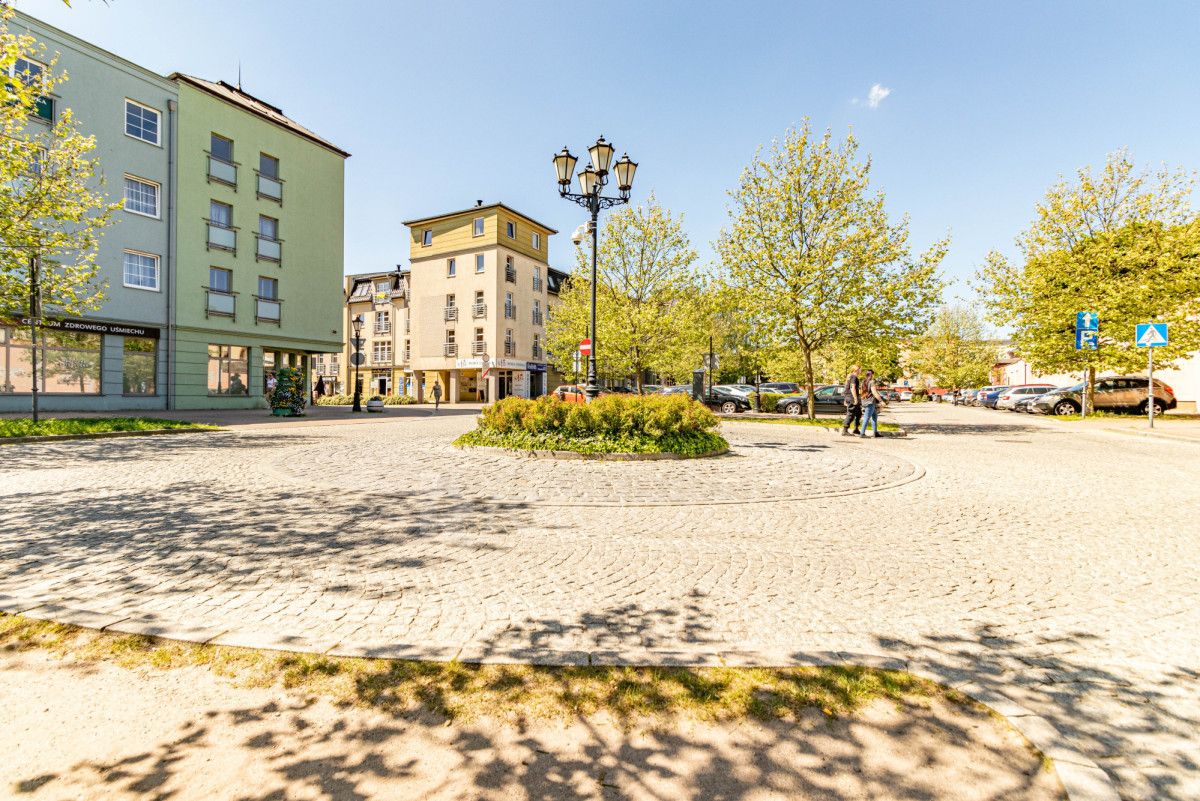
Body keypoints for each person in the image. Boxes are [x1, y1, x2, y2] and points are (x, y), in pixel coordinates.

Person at [860, 369, 885, 438]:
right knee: (866, 418)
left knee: (874, 417)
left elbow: (861, 392)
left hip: (866, 401)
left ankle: (875, 432)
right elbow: (874, 392)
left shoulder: (863, 382)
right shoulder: (872, 382)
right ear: (872, 375)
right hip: (870, 402)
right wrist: (881, 401)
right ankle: (862, 433)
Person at [840, 365, 862, 436]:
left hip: (849, 397)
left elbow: (846, 388)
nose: (861, 371)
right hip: (852, 397)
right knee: (850, 414)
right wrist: (855, 398)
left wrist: (845, 399)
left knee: (859, 413)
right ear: (856, 370)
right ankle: (845, 430)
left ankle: (856, 429)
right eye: (860, 369)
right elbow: (852, 388)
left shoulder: (850, 376)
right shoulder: (853, 377)